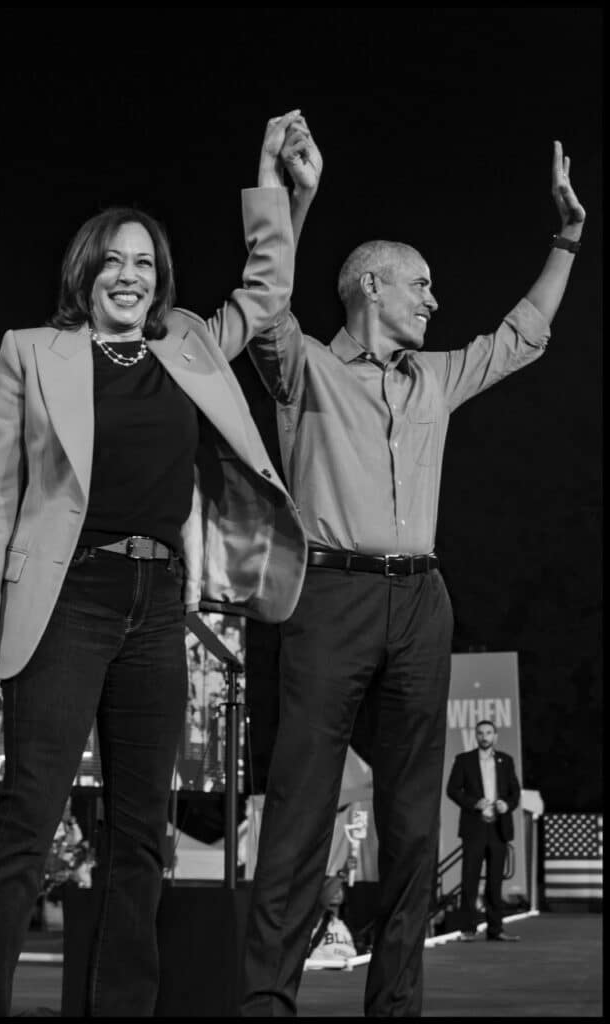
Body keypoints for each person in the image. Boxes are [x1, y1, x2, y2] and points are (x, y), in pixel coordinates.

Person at [0, 110, 310, 1018]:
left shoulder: (186, 347)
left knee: (142, 832)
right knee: (29, 817)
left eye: (145, 264)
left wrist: (271, 178)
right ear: (87, 274)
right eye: (116, 262)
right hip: (67, 597)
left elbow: (263, 293)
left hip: (159, 602)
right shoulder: (32, 353)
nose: (131, 277)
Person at [240, 129, 586, 1016]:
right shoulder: (302, 369)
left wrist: (566, 239)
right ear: (369, 286)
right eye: (419, 282)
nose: (435, 297)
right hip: (329, 596)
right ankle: (266, 1001)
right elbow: (265, 297)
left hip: (419, 601)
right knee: (299, 803)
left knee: (406, 822)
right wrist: (295, 197)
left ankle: (395, 1005)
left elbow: (521, 335)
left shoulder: (434, 378)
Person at [446, 720, 522, 942]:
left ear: (495, 736)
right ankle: (468, 929)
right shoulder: (464, 760)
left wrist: (507, 805)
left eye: (488, 733)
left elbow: (514, 792)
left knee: (495, 880)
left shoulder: (505, 761)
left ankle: (495, 929)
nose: (484, 736)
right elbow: (452, 789)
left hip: (498, 828)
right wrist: (473, 803)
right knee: (469, 879)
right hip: (474, 827)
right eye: (480, 733)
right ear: (476, 736)